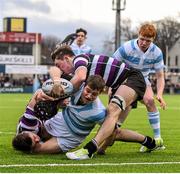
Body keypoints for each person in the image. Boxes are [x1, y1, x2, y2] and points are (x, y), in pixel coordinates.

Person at [47, 43, 151, 160]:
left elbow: (80, 77)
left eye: (59, 65)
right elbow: (55, 71)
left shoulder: (79, 59)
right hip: (119, 85)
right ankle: (150, 143)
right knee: (114, 129)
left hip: (132, 78)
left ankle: (89, 150)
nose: (61, 69)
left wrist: (61, 95)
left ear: (66, 58)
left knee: (112, 110)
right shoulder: (76, 70)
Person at [12, 75, 156, 154]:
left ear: (100, 93)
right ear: (84, 86)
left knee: (37, 150)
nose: (89, 95)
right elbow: (40, 91)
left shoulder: (98, 111)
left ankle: (149, 141)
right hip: (60, 121)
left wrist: (104, 145)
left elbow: (114, 131)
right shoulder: (74, 89)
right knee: (34, 139)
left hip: (72, 136)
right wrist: (55, 101)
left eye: (94, 94)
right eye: (87, 90)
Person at [112, 23, 166, 152]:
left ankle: (158, 140)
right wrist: (111, 85)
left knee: (150, 100)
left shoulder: (157, 52)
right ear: (138, 35)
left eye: (148, 41)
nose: (144, 43)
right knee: (120, 107)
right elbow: (112, 65)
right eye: (142, 39)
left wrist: (159, 93)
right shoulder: (127, 47)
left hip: (143, 80)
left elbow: (160, 76)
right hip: (125, 79)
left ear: (153, 40)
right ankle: (111, 131)